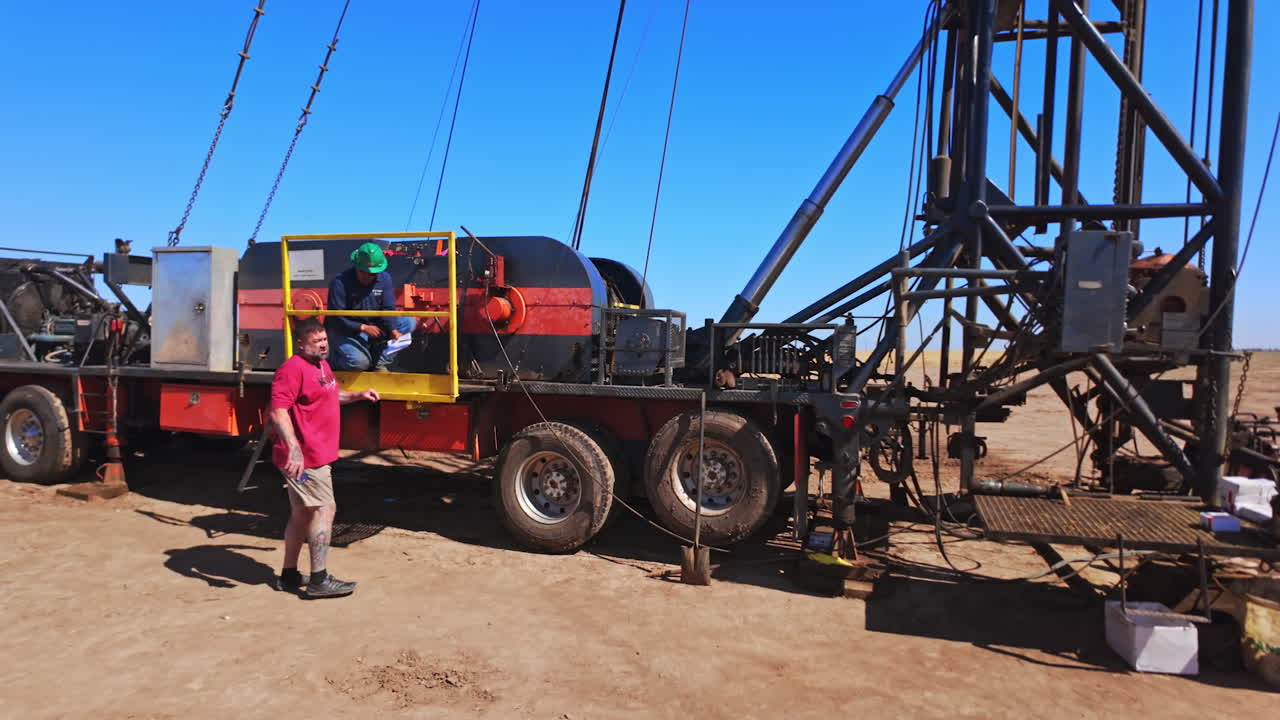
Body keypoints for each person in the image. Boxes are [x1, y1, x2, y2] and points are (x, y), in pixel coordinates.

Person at [270, 317, 380, 598]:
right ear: (300, 344)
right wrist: (294, 448)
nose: (322, 345)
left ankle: (289, 575)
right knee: (324, 509)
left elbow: (329, 394)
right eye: (316, 342)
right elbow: (278, 411)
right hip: (305, 459)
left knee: (301, 514)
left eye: (324, 341)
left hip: (315, 454)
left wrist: (356, 395)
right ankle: (319, 579)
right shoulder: (292, 370)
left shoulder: (321, 365)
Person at [326, 242, 415, 372]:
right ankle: (329, 360)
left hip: (372, 325)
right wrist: (363, 327)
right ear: (356, 266)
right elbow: (336, 317)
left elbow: (388, 308)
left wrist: (394, 330)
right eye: (364, 272)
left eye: (373, 273)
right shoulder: (339, 283)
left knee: (408, 322)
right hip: (344, 330)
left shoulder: (385, 279)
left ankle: (380, 362)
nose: (368, 276)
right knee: (358, 364)